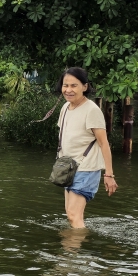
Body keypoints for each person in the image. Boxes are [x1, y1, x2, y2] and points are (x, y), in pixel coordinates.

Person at [55, 67, 117, 229]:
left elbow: (104, 143)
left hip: (86, 168)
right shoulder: (65, 108)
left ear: (85, 86)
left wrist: (109, 174)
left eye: (74, 86)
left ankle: (74, 252)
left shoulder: (92, 110)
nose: (68, 90)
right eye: (65, 85)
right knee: (72, 215)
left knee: (74, 216)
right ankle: (73, 251)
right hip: (67, 167)